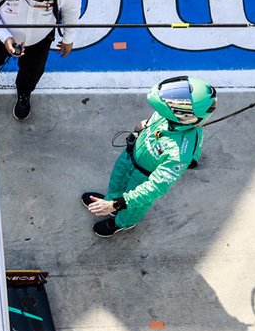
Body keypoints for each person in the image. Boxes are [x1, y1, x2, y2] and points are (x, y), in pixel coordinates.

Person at [83, 76, 217, 238]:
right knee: (117, 182)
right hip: (130, 156)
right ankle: (109, 201)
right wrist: (138, 130)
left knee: (135, 206)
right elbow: (148, 122)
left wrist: (117, 204)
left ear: (185, 116)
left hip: (144, 178)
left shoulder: (180, 153)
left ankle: (122, 222)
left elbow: (155, 187)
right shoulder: (171, 114)